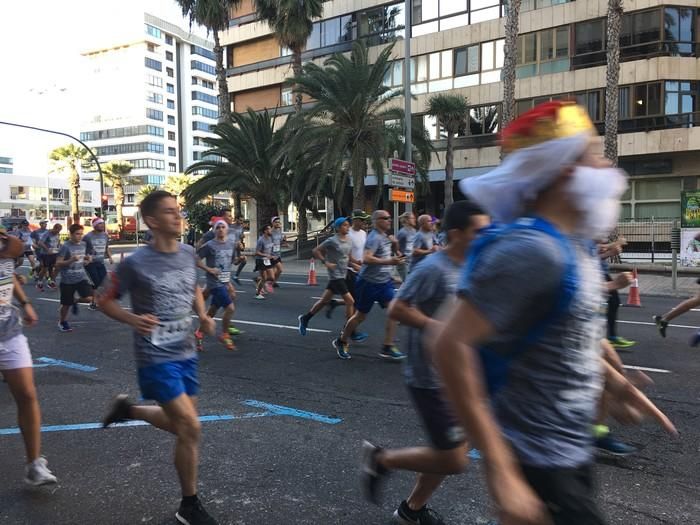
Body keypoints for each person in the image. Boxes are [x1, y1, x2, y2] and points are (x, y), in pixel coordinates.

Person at [431, 101, 677, 525]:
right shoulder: (532, 250)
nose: (607, 167)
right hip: (536, 462)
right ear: (566, 170)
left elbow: (568, 330)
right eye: (595, 156)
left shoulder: (574, 245)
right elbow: (449, 344)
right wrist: (503, 470)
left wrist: (615, 385)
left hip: (570, 452)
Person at [362, 200, 489, 525]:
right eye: (480, 231)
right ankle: (382, 459)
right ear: (457, 234)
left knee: (450, 451)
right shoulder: (434, 267)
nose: (487, 237)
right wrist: (437, 327)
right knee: (455, 459)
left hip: (461, 373)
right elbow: (398, 309)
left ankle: (411, 510)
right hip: (430, 376)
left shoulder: (473, 266)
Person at [98, 190, 218, 525]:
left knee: (181, 425)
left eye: (178, 210)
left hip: (185, 351)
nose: (178, 216)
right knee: (191, 427)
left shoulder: (187, 252)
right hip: (154, 356)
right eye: (169, 212)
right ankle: (189, 504)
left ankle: (128, 409)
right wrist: (132, 319)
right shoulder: (134, 263)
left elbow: (192, 285)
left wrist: (204, 315)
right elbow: (102, 299)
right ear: (151, 221)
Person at [0, 229, 58, 486]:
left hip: (9, 332)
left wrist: (25, 303)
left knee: (27, 394)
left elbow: (8, 271)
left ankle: (34, 464)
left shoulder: (4, 244)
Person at [333, 210, 406, 361]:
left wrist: (392, 274)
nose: (389, 220)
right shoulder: (373, 237)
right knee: (360, 316)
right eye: (385, 218)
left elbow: (386, 256)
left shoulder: (385, 236)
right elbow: (367, 258)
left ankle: (387, 345)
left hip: (384, 282)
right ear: (376, 221)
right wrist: (390, 262)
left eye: (389, 218)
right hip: (368, 283)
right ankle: (342, 340)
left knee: (394, 311)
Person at [298, 217, 354, 336]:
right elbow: (316, 250)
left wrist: (355, 264)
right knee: (350, 301)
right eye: (345, 225)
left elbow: (347, 257)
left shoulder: (349, 240)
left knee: (324, 301)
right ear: (338, 228)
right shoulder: (332, 240)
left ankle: (305, 318)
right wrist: (325, 262)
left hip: (344, 273)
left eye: (348, 224)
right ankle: (349, 330)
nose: (348, 227)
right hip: (335, 275)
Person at [195, 219, 237, 351]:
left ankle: (199, 333)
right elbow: (195, 259)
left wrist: (240, 260)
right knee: (230, 308)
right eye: (217, 227)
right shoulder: (209, 245)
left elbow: (230, 263)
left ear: (227, 229)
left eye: (222, 227)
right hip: (214, 283)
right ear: (214, 230)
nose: (220, 229)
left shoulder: (231, 244)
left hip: (224, 282)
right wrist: (209, 269)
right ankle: (225, 334)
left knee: (212, 312)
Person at [55, 224, 93, 332]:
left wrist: (87, 260)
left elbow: (82, 261)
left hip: (81, 277)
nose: (80, 236)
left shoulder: (83, 244)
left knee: (90, 298)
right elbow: (58, 264)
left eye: (81, 234)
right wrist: (70, 260)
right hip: (67, 280)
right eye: (77, 234)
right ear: (70, 234)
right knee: (66, 304)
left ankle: (75, 300)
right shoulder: (65, 246)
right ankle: (62, 322)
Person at [84, 217, 114, 310]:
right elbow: (81, 249)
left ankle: (96, 301)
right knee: (97, 284)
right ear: (94, 225)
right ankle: (93, 303)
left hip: (100, 262)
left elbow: (106, 247)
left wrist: (110, 257)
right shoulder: (88, 237)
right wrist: (86, 259)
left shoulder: (105, 235)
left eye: (102, 223)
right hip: (90, 264)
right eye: (100, 224)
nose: (102, 225)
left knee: (105, 283)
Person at [36, 223, 62, 291]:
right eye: (57, 230)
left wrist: (59, 247)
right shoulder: (47, 234)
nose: (58, 232)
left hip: (54, 253)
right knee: (45, 269)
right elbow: (40, 242)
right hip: (45, 254)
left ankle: (51, 282)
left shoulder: (57, 234)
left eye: (59, 231)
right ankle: (39, 281)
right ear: (54, 228)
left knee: (52, 268)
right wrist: (47, 249)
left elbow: (58, 242)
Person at [253, 224, 276, 299]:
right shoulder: (261, 240)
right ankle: (258, 293)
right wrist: (266, 255)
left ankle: (258, 280)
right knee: (264, 278)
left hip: (267, 260)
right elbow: (257, 252)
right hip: (260, 260)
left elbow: (271, 248)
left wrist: (272, 255)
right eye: (269, 229)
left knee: (272, 277)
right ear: (265, 231)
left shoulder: (270, 238)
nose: (270, 231)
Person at [396, 212, 416, 282]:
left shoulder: (414, 231)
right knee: (408, 284)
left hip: (412, 262)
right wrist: (401, 257)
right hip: (404, 264)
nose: (414, 220)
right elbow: (396, 248)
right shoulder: (402, 233)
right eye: (412, 218)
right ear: (407, 220)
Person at [270, 216, 287, 287]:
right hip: (271, 254)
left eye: (278, 222)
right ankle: (270, 282)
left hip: (278, 253)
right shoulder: (270, 232)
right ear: (272, 223)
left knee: (275, 271)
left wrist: (284, 241)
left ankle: (272, 282)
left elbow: (280, 242)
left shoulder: (279, 231)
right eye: (276, 222)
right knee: (279, 269)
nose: (277, 224)